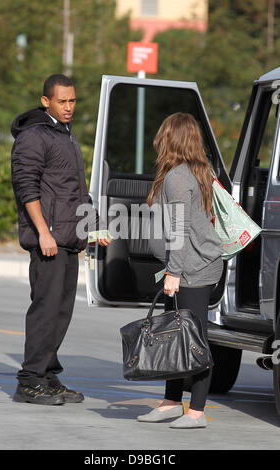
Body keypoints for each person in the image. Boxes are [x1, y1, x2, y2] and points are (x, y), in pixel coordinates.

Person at [11, 74, 111, 405]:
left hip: (69, 238)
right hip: (48, 240)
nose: (69, 107)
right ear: (46, 102)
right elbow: (27, 187)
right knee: (45, 309)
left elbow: (76, 191)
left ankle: (48, 377)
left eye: (72, 101)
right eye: (62, 101)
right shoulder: (33, 136)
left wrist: (93, 226)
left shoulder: (66, 136)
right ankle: (29, 381)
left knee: (61, 312)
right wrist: (42, 233)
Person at [137, 112, 223, 428]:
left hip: (193, 270)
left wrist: (174, 272)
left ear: (170, 139)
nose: (157, 140)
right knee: (176, 336)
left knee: (195, 340)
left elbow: (179, 230)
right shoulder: (196, 171)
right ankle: (171, 402)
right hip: (194, 265)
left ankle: (197, 411)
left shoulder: (177, 178)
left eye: (161, 135)